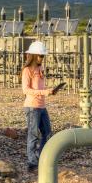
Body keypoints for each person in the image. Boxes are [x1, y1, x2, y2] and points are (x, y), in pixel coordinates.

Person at [22, 41, 56, 171]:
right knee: (33, 134)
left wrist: (50, 91)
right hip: (32, 107)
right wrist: (44, 92)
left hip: (41, 106)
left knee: (47, 133)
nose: (42, 58)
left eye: (43, 56)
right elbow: (26, 90)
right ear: (33, 55)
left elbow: (40, 87)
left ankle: (40, 157)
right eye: (41, 56)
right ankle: (32, 163)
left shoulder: (40, 69)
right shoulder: (27, 70)